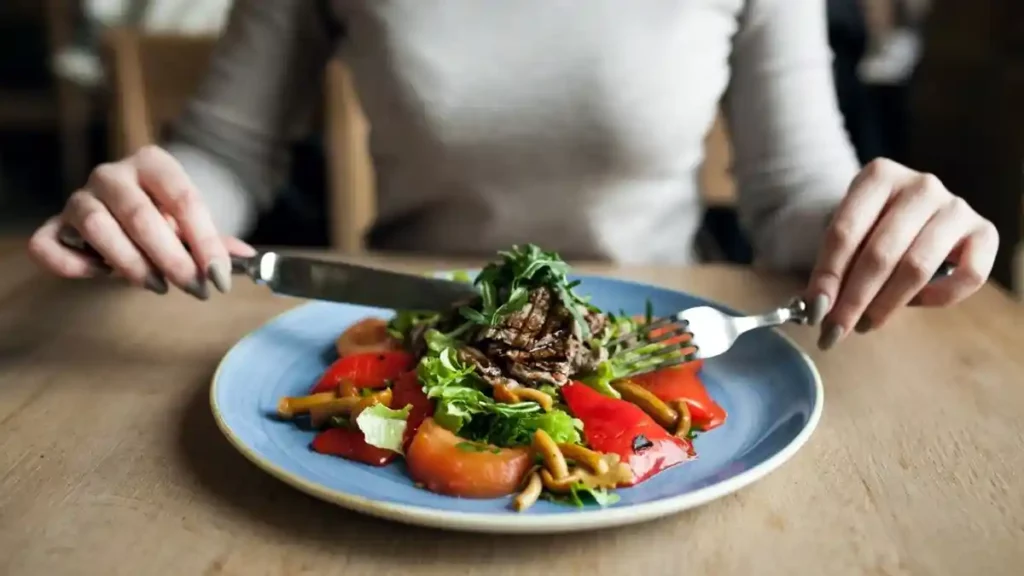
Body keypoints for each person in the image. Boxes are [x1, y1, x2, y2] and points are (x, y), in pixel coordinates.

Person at [27, 0, 997, 352]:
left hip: (656, 340)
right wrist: (155, 202)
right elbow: (228, 157)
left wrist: (885, 230)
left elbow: (794, 196)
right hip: (405, 334)